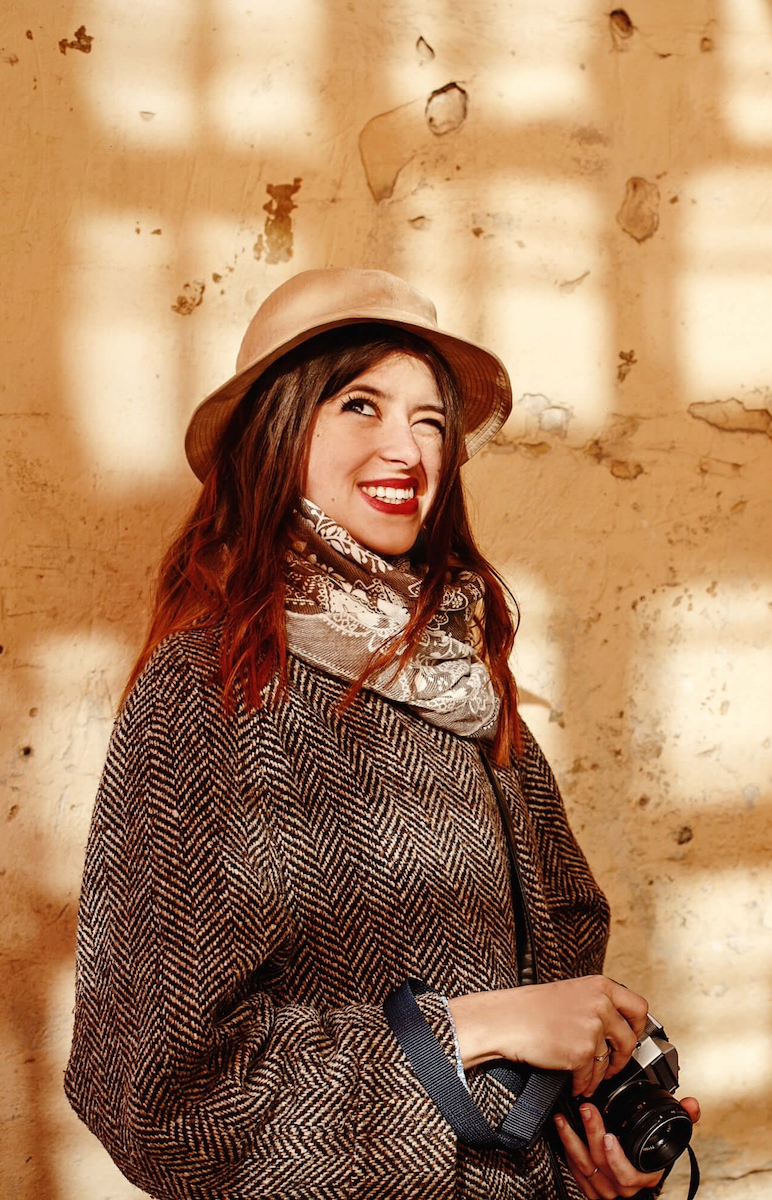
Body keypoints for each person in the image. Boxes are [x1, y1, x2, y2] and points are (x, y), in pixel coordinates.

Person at [64, 267, 699, 1199]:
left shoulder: (460, 676)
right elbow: (157, 1093)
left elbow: (558, 967)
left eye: (431, 420)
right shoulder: (213, 690)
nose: (407, 447)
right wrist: (471, 1031)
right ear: (276, 432)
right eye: (361, 405)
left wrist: (585, 1157)